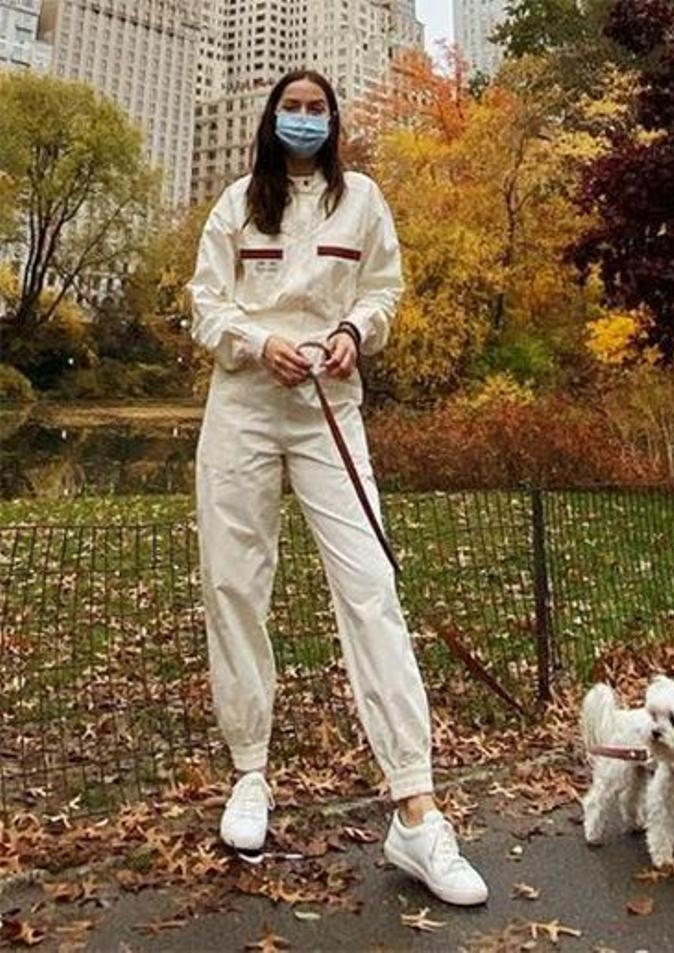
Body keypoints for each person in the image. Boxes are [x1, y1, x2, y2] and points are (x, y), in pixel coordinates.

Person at [186, 69, 487, 906]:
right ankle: (250, 772)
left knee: (371, 588)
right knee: (234, 586)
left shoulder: (365, 201)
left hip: (331, 408)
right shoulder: (238, 201)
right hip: (244, 405)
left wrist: (357, 329)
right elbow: (205, 304)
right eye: (294, 108)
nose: (306, 120)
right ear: (272, 117)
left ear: (335, 120)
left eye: (319, 109)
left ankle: (416, 808)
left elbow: (384, 287)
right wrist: (253, 341)